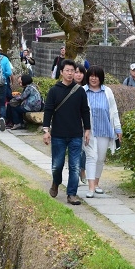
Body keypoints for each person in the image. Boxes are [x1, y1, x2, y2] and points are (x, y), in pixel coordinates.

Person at [42, 59, 91, 206]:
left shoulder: (80, 91)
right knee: (57, 165)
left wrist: (87, 129)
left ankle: (72, 194)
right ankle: (56, 182)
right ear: (61, 72)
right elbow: (48, 111)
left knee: (75, 166)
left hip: (76, 134)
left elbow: (85, 111)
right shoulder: (54, 91)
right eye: (67, 71)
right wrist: (46, 130)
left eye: (73, 71)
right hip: (58, 135)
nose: (70, 74)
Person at [82, 66, 122, 198]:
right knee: (91, 156)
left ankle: (97, 183)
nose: (94, 78)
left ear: (101, 78)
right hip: (88, 131)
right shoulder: (83, 91)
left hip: (105, 129)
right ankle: (91, 187)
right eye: (91, 76)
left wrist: (117, 128)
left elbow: (113, 110)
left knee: (100, 158)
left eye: (96, 76)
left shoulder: (107, 91)